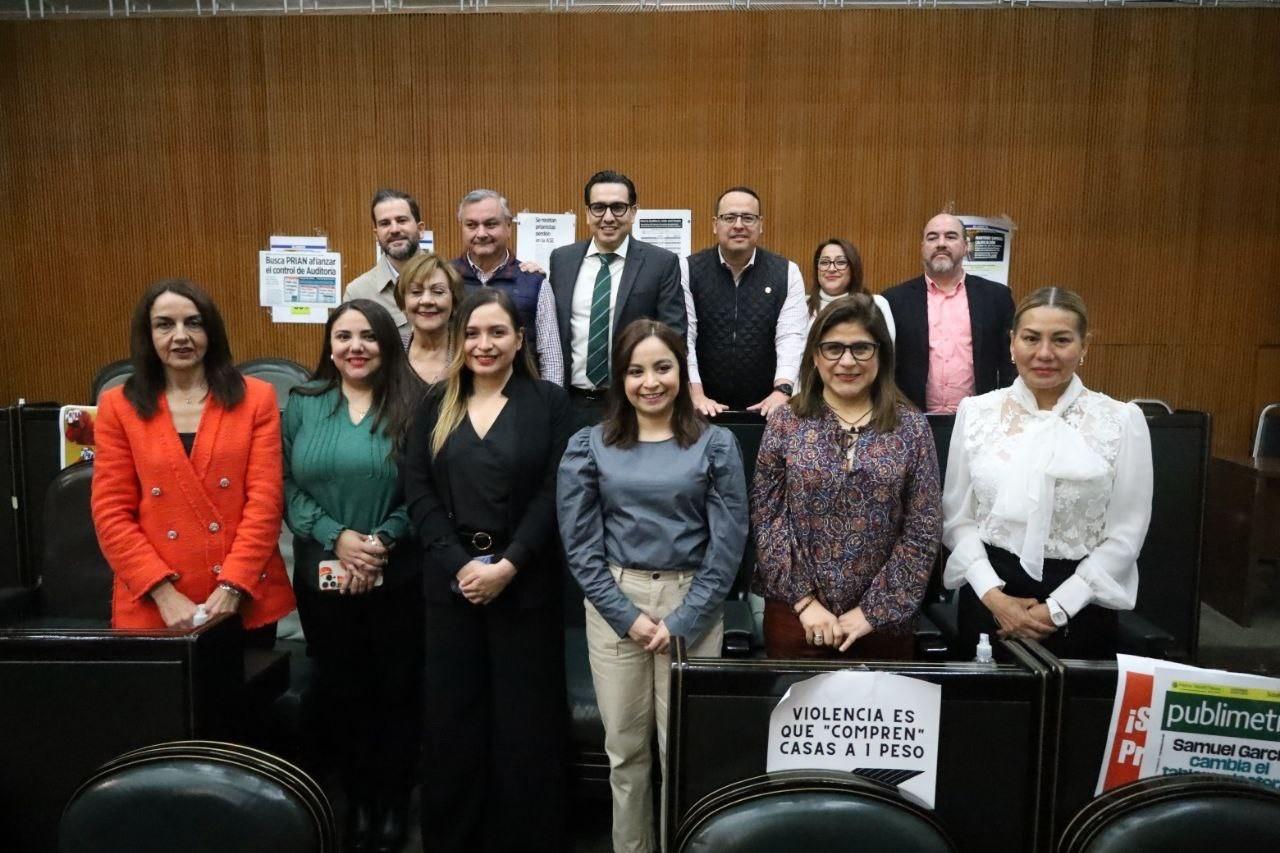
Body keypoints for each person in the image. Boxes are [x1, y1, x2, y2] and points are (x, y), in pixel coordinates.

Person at [557, 319, 748, 853]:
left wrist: (683, 621)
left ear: (680, 372)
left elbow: (728, 544)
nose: (650, 382)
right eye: (635, 371)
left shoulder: (716, 444)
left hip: (695, 606)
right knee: (625, 753)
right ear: (620, 379)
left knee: (683, 755)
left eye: (662, 367)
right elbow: (581, 547)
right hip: (616, 604)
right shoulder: (589, 445)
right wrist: (628, 617)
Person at [401, 289, 573, 852]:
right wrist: (461, 566)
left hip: (525, 585)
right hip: (451, 590)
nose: (484, 344)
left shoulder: (548, 403)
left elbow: (555, 491)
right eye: (473, 333)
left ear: (520, 339)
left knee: (526, 726)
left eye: (497, 332)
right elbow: (418, 491)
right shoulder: (434, 404)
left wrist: (509, 564)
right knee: (454, 722)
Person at [942, 286, 1153, 659]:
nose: (1044, 353)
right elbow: (958, 519)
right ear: (1012, 343)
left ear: (1084, 345)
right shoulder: (975, 412)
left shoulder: (1121, 421)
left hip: (1083, 602)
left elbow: (1126, 535)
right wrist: (994, 596)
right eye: (1031, 338)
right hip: (990, 599)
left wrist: (1058, 608)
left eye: (1061, 340)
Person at [283, 299, 423, 853]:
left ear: (388, 343)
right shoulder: (302, 403)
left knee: (396, 692)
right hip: (323, 570)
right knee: (342, 691)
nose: (356, 346)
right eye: (343, 336)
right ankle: (356, 802)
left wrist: (380, 541)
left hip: (400, 571)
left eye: (368, 335)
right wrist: (338, 537)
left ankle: (392, 805)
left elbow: (427, 489)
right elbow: (286, 487)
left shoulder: (415, 403)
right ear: (329, 345)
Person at [92, 279, 295, 635]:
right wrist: (162, 592)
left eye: (194, 323)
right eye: (165, 325)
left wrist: (233, 586)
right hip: (155, 602)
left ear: (211, 331)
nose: (181, 336)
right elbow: (111, 512)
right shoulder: (117, 405)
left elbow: (265, 503)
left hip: (242, 597)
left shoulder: (256, 399)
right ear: (148, 335)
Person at [751, 294, 941, 659]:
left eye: (861, 348)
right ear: (815, 356)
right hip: (796, 619)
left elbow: (923, 529)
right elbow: (767, 519)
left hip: (885, 624)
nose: (847, 361)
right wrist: (806, 604)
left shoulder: (912, 428)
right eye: (833, 348)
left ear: (881, 353)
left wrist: (872, 612)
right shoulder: (785, 422)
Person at [549, 170, 685, 426]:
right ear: (587, 212)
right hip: (570, 404)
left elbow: (674, 335)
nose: (608, 217)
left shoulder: (661, 263)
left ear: (633, 212)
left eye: (618, 208)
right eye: (599, 207)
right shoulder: (561, 260)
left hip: (632, 405)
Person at [683, 186, 807, 418]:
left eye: (748, 218)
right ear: (714, 224)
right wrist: (696, 395)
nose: (738, 225)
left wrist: (782, 391)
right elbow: (684, 336)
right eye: (729, 217)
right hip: (700, 409)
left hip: (767, 409)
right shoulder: (688, 270)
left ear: (761, 224)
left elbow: (791, 338)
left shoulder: (787, 272)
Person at [881, 212, 1016, 413]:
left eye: (951, 237)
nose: (941, 244)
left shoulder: (996, 297)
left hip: (979, 420)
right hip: (912, 421)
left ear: (966, 246)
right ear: (922, 247)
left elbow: (1009, 363)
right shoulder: (894, 300)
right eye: (932, 237)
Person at [453, 188, 564, 385]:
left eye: (491, 224)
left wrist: (551, 407)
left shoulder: (535, 283)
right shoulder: (445, 280)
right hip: (460, 400)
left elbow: (550, 357)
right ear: (461, 227)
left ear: (508, 227)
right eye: (471, 225)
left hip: (522, 403)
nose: (481, 233)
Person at [345, 188, 426, 331]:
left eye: (401, 220)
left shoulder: (451, 281)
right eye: (385, 223)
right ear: (376, 235)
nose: (394, 229)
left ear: (420, 229)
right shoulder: (359, 293)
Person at [395, 250, 464, 385]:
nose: (426, 300)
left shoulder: (467, 353)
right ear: (403, 302)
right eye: (416, 292)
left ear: (454, 301)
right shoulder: (391, 353)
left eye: (438, 292)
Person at [808, 238, 896, 342]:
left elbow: (886, 353)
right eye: (824, 262)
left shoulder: (875, 303)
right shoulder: (801, 306)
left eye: (840, 262)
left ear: (853, 267)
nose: (831, 269)